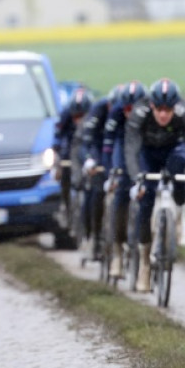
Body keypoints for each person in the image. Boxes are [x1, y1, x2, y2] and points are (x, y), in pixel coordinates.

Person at [124, 77, 185, 292]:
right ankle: (144, 264)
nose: (163, 114)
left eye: (168, 109)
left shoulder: (184, 114)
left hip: (173, 151)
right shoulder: (139, 113)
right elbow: (131, 149)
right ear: (151, 105)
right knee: (146, 199)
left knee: (180, 168)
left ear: (175, 106)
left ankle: (179, 216)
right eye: (159, 109)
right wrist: (135, 180)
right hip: (147, 154)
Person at [102, 81, 146, 278]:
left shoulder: (149, 114)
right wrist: (111, 172)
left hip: (143, 143)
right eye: (127, 108)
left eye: (134, 109)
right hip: (122, 142)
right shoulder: (116, 113)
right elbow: (108, 147)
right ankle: (118, 252)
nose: (130, 113)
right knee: (121, 187)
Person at [78, 84, 122, 261]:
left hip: (115, 153)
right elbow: (87, 139)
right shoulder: (98, 110)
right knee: (96, 192)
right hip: (97, 150)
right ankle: (95, 235)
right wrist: (90, 159)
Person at [52, 86, 92, 225]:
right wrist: (56, 153)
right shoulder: (65, 114)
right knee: (64, 176)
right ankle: (65, 205)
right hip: (69, 150)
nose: (79, 120)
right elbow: (57, 135)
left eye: (82, 116)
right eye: (76, 117)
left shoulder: (93, 117)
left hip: (86, 148)